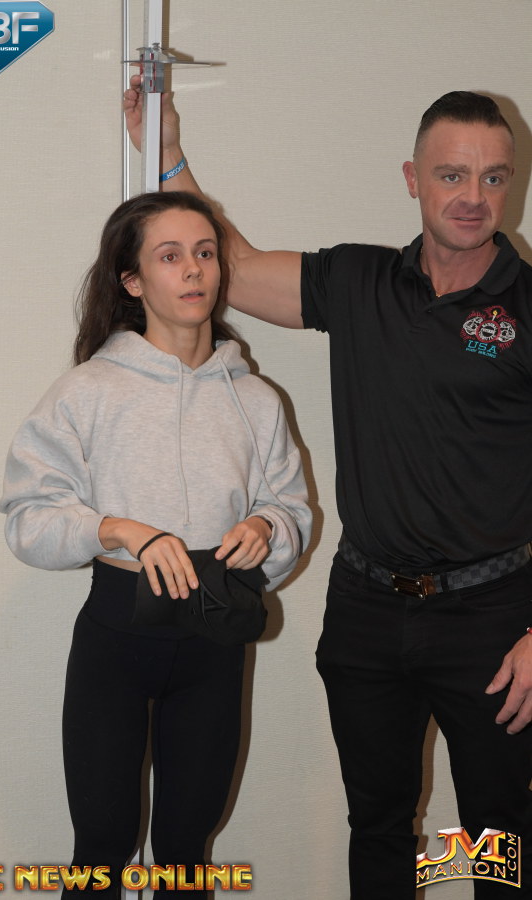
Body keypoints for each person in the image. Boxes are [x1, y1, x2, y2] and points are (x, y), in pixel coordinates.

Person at [124, 83, 532, 899]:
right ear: (413, 179)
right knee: (377, 823)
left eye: (493, 178)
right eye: (452, 175)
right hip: (367, 609)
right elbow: (234, 268)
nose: (473, 197)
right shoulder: (359, 280)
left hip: (493, 618)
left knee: (499, 837)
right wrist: (165, 151)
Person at [0, 190, 311, 899]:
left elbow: (292, 508)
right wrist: (116, 528)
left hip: (215, 638)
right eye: (170, 257)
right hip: (117, 635)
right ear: (132, 281)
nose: (194, 270)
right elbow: (27, 517)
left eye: (205, 253)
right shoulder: (86, 392)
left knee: (185, 856)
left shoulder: (255, 399)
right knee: (101, 851)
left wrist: (267, 529)